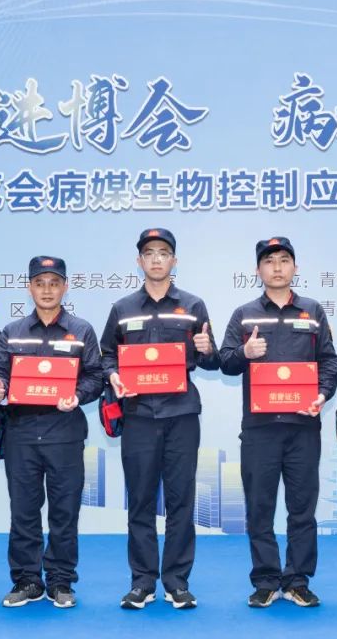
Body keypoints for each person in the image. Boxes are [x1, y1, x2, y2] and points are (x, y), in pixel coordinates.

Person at [99, 228, 219, 610]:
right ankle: (142, 582)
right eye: (149, 252)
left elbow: (212, 360)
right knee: (140, 500)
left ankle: (177, 582)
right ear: (139, 261)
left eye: (163, 252)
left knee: (181, 500)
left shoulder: (193, 306)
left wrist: (207, 349)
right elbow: (106, 354)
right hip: (138, 416)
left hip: (181, 414)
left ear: (174, 260)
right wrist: (112, 375)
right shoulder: (122, 308)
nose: (156, 259)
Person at [219, 237, 337, 608]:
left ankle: (298, 581)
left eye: (284, 260)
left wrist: (323, 394)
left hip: (303, 428)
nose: (277, 267)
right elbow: (225, 361)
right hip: (260, 429)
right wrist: (245, 352)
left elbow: (329, 361)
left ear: (295, 268)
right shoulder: (244, 314)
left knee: (302, 509)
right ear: (258, 270)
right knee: (260, 508)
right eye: (269, 261)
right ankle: (266, 581)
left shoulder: (312, 311)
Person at [0, 256, 104, 609]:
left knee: (64, 512)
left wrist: (78, 396)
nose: (47, 290)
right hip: (21, 433)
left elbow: (95, 376)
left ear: (65, 287)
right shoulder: (13, 331)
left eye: (54, 283)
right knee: (23, 511)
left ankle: (61, 580)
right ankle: (27, 580)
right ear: (29, 288)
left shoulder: (81, 330)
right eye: (40, 283)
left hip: (65, 433)